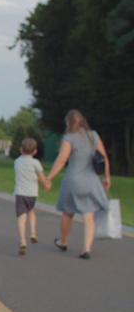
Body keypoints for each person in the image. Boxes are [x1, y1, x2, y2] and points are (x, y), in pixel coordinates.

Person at [46, 110, 110, 260]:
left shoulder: (69, 138)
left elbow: (62, 159)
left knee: (68, 213)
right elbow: (104, 157)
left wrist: (49, 177)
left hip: (73, 180)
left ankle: (63, 242)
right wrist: (107, 176)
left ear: (69, 122)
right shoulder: (93, 135)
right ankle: (86, 249)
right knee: (88, 215)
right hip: (91, 180)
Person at [13, 138, 51, 255]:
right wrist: (46, 184)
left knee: (21, 217)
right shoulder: (35, 163)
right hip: (31, 193)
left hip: (20, 193)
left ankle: (23, 241)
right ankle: (33, 232)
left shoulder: (17, 162)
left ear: (20, 150)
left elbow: (24, 174)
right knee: (31, 212)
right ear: (35, 152)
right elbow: (41, 176)